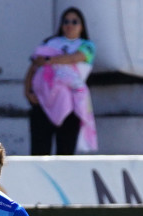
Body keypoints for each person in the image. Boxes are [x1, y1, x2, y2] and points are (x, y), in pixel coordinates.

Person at [24, 6, 97, 155]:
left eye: (74, 21)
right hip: (44, 101)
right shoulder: (50, 43)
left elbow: (74, 58)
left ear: (81, 26)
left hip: (70, 105)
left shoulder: (86, 46)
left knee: (65, 151)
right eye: (66, 21)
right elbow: (33, 67)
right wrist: (28, 91)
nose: (70, 25)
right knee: (39, 150)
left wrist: (49, 60)